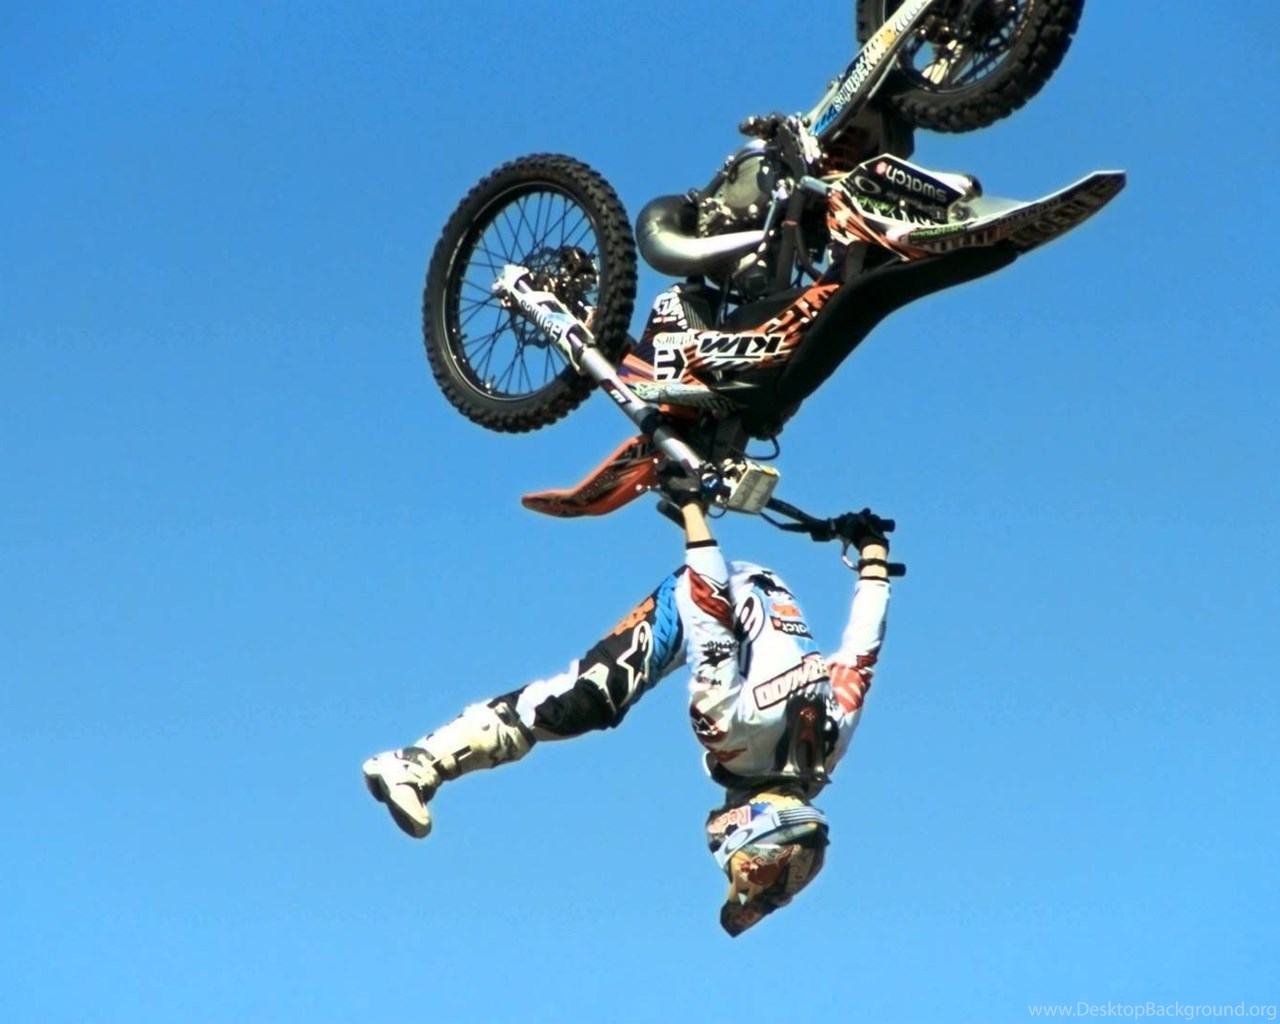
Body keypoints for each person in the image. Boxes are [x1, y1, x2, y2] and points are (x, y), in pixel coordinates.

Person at [362, 483, 897, 936]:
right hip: (705, 595)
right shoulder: (732, 735)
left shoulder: (826, 744)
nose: (715, 844)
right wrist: (691, 511)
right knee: (582, 703)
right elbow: (708, 615)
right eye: (731, 862)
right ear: (750, 829)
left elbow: (862, 654)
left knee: (599, 698)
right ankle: (417, 763)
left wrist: (871, 550)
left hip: (756, 591)